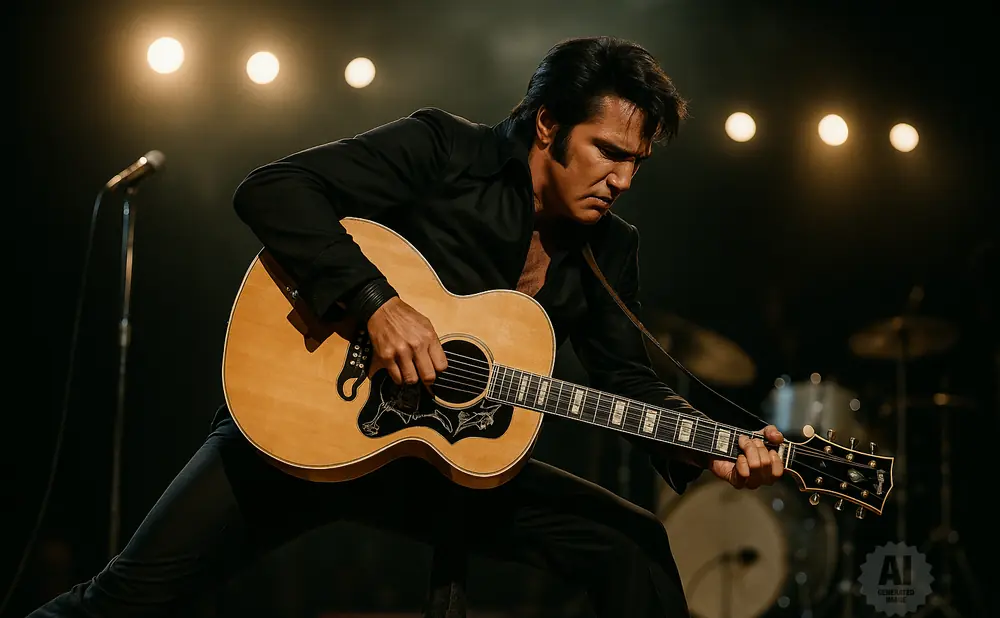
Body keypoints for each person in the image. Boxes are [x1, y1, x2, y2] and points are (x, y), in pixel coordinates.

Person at [28, 36, 785, 618]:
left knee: (634, 545)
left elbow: (627, 378)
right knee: (121, 603)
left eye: (638, 163)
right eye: (609, 151)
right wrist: (376, 304)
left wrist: (710, 451)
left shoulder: (609, 249)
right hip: (301, 424)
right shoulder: (444, 151)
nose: (621, 179)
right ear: (549, 123)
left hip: (436, 466)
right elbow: (274, 190)